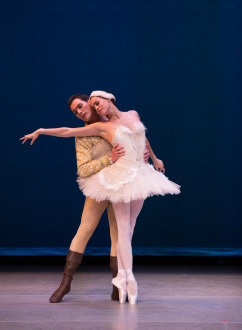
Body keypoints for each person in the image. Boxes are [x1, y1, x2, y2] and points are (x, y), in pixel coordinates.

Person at [20, 90, 180, 305]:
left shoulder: (119, 118)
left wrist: (147, 155)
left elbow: (140, 136)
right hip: (100, 184)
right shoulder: (86, 134)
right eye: (75, 111)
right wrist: (109, 159)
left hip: (123, 183)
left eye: (82, 106)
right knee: (85, 230)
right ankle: (65, 283)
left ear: (94, 103)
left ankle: (118, 285)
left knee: (119, 234)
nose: (80, 112)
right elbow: (83, 168)